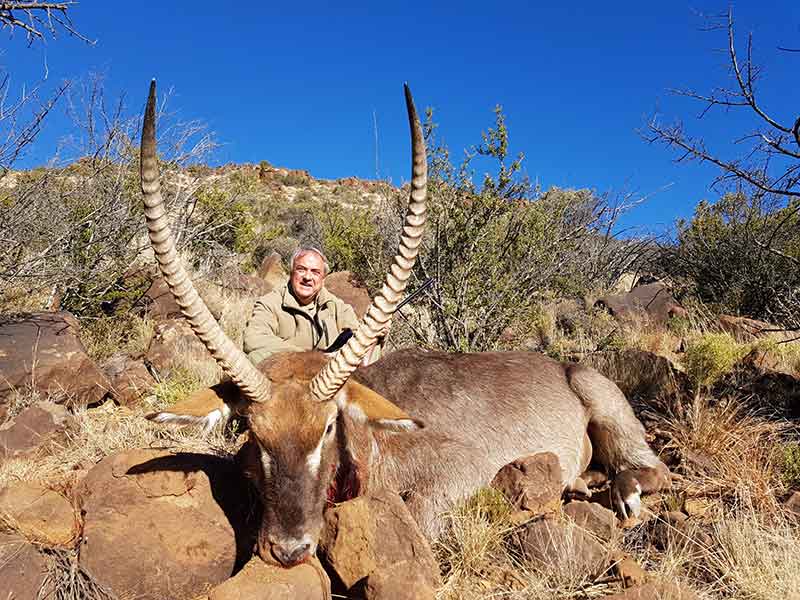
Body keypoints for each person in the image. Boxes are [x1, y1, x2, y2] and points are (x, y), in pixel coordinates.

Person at [243, 247, 385, 366]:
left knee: (371, 348)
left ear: (323, 279)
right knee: (256, 357)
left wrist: (376, 332)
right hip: (288, 373)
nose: (307, 277)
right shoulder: (270, 302)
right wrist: (310, 357)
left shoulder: (337, 307)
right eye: (301, 269)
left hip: (329, 376)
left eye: (315, 272)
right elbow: (253, 339)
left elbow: (357, 336)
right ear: (291, 273)